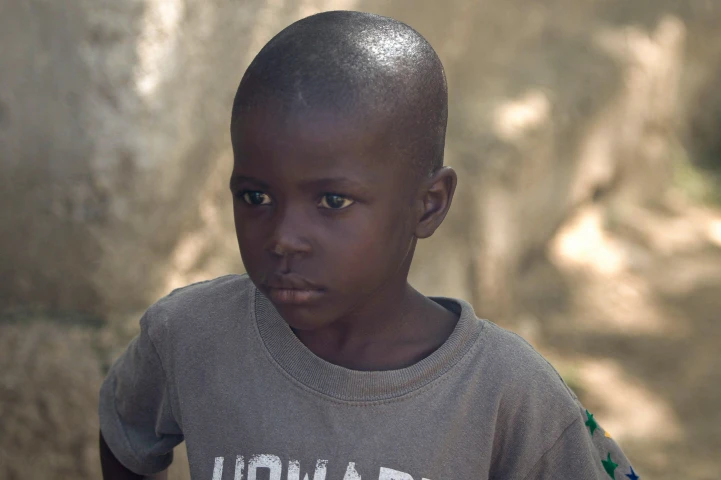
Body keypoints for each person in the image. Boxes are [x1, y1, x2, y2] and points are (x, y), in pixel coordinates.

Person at [98, 10, 639, 480]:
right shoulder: (192, 335)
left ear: (428, 205)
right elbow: (126, 435)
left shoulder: (503, 392)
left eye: (332, 202)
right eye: (256, 196)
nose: (283, 238)